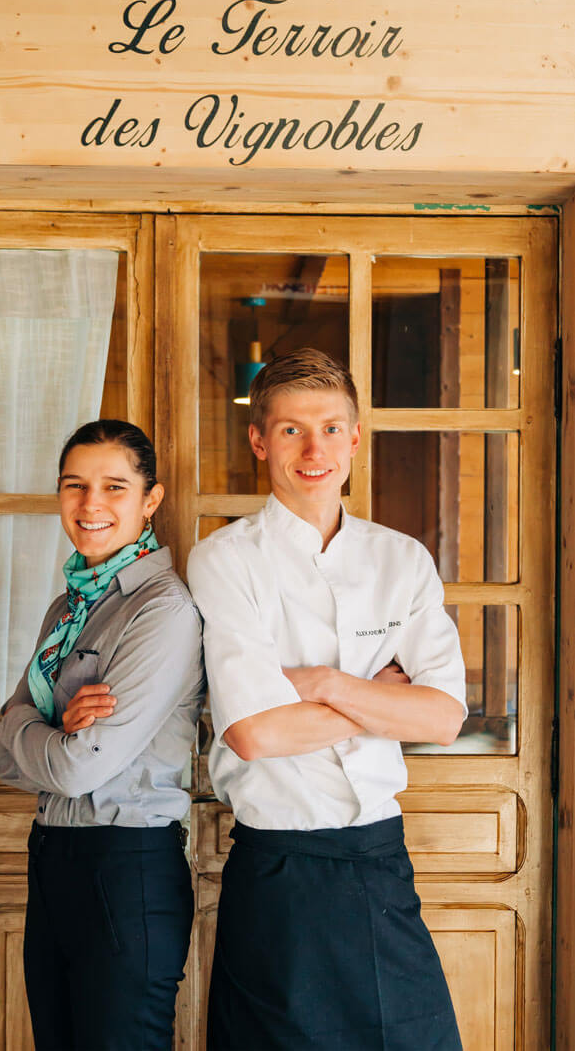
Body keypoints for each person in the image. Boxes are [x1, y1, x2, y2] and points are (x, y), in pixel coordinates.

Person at [186, 348, 467, 1051]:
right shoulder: (225, 560)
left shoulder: (402, 560)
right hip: (279, 870)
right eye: (290, 431)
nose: (314, 449)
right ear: (258, 440)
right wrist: (380, 700)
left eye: (331, 428)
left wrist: (324, 684)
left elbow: (442, 717)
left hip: (379, 862)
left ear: (354, 437)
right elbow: (254, 735)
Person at [0, 419, 204, 1051]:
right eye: (74, 485)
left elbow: (78, 768)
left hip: (126, 867)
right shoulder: (69, 609)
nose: (91, 504)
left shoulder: (162, 610)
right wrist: (41, 729)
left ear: (150, 500)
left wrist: (25, 723)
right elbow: (2, 756)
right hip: (52, 858)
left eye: (114, 486)